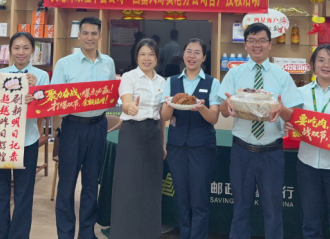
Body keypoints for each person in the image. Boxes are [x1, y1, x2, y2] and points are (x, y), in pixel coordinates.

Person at [218, 22, 302, 239]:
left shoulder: (282, 76)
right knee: (240, 209)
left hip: (271, 152)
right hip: (241, 151)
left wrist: (282, 110)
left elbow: (293, 115)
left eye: (262, 40)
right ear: (245, 45)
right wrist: (227, 105)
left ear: (270, 44)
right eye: (252, 41)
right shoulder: (234, 74)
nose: (257, 45)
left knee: (273, 211)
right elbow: (223, 111)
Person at [52, 16, 116, 239]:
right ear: (78, 35)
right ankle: (65, 234)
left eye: (94, 33)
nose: (90, 37)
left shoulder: (108, 62)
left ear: (100, 36)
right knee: (67, 184)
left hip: (98, 126)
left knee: (91, 183)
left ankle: (87, 233)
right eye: (85, 33)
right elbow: (54, 100)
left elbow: (110, 95)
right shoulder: (65, 63)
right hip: (73, 127)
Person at [285, 45, 330, 239]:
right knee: (310, 219)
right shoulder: (300, 93)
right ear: (313, 65)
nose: (326, 65)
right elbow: (292, 122)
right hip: (308, 164)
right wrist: (289, 125)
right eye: (321, 60)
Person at [0, 32, 50, 239]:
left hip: (26, 141)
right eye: (16, 48)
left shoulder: (41, 76)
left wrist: (34, 92)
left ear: (33, 51)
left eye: (26, 48)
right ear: (10, 50)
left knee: (24, 194)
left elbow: (43, 112)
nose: (21, 52)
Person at [161, 38, 221, 239]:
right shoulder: (171, 82)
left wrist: (201, 108)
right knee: (182, 197)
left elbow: (214, 118)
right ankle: (185, 234)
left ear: (204, 57)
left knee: (199, 198)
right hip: (177, 146)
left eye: (197, 52)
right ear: (183, 55)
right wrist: (169, 104)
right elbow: (165, 116)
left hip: (202, 147)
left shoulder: (212, 82)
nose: (192, 56)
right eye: (188, 51)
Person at [111, 38, 167, 239]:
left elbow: (162, 116)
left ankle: (149, 233)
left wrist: (163, 142)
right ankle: (123, 233)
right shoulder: (129, 77)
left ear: (157, 58)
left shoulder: (162, 82)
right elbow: (126, 102)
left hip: (154, 133)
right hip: (132, 132)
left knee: (152, 185)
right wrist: (130, 108)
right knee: (128, 184)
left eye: (151, 54)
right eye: (142, 54)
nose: (146, 58)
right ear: (136, 57)